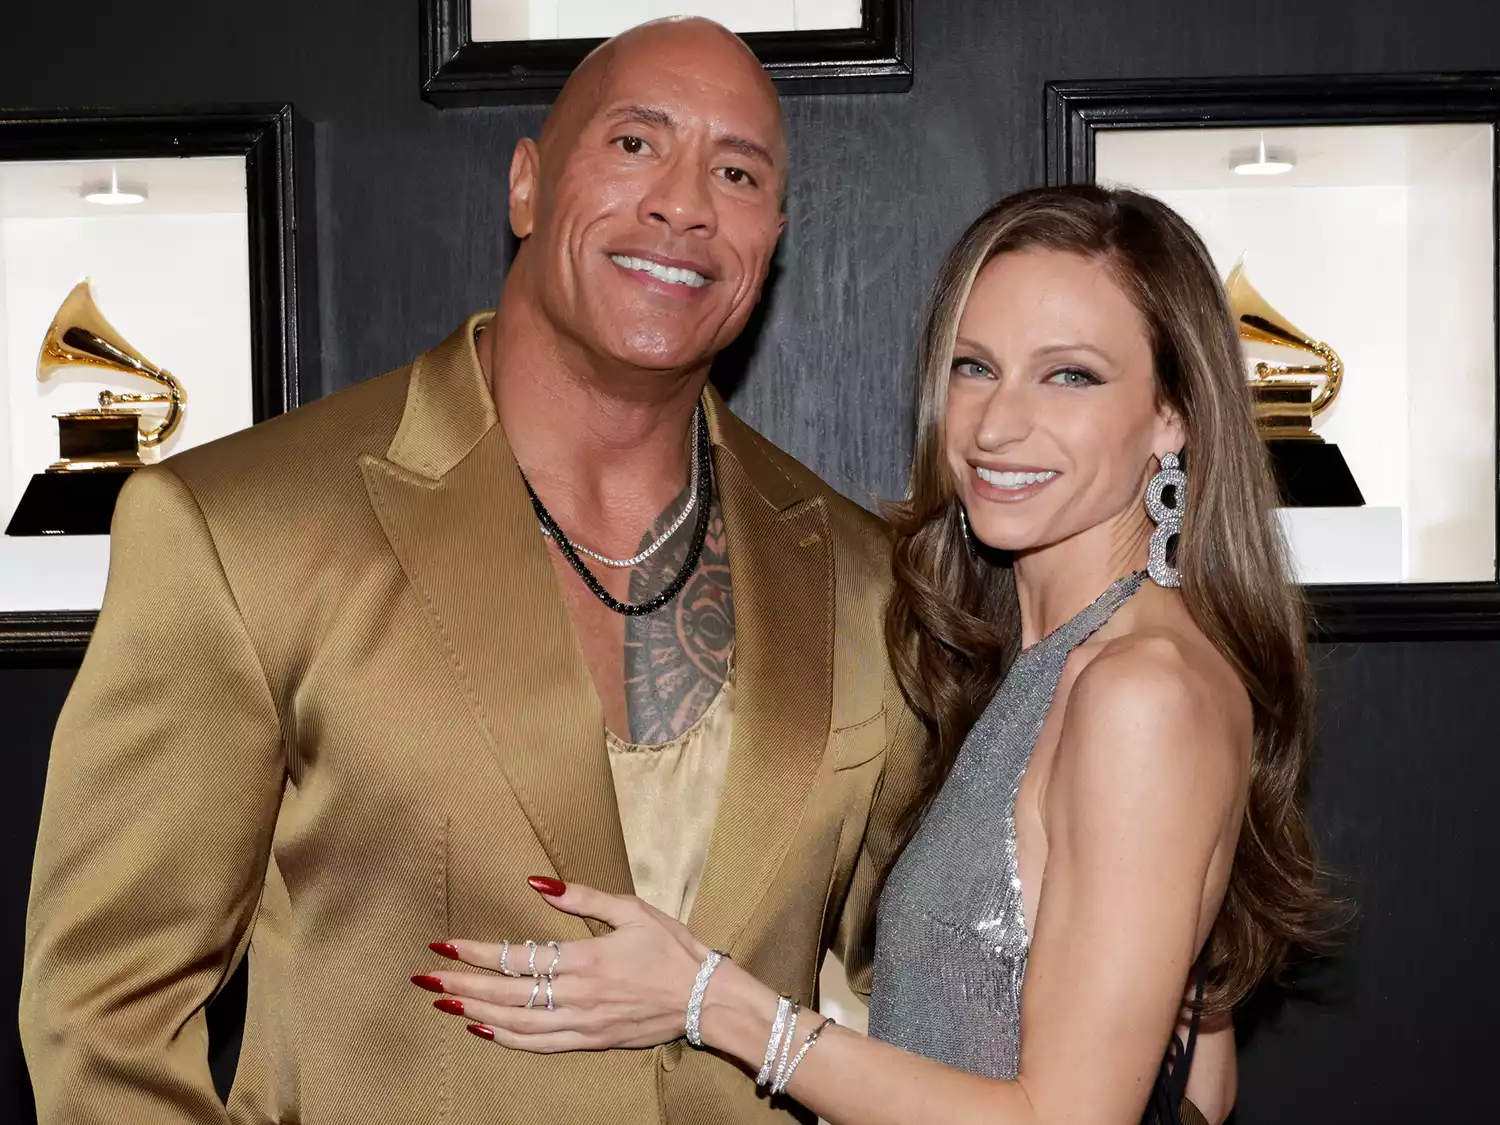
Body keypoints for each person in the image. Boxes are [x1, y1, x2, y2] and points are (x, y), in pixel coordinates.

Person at [20, 18, 927, 1125]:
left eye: (737, 172)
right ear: (527, 188)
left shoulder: (864, 575)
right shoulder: (240, 529)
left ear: (770, 239)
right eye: (636, 145)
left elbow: (898, 984)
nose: (685, 202)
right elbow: (101, 1017)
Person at [411, 186, 1332, 1125]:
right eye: (976, 367)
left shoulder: (1140, 693)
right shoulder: (1058, 664)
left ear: (1173, 415)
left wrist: (710, 999)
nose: (997, 425)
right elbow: (1203, 1086)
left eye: (1070, 376)